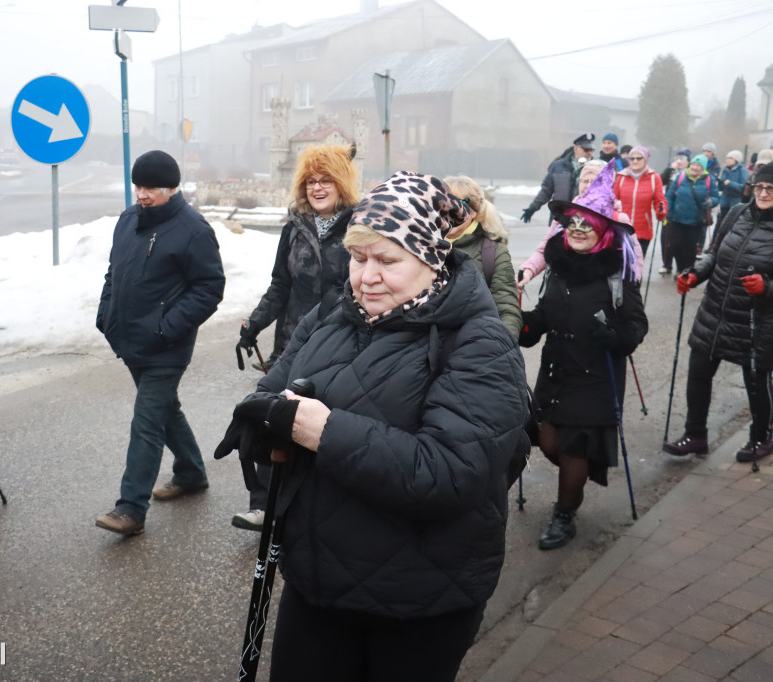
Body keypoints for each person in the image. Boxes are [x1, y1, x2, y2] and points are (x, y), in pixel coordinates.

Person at [216, 172, 531, 681]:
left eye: (388, 260)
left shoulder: (479, 343)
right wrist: (263, 421)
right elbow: (272, 391)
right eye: (359, 258)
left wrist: (321, 430)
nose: (366, 277)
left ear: (431, 258)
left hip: (420, 595)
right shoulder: (334, 314)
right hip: (316, 580)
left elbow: (450, 473)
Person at [95, 150, 226, 537]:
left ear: (171, 188)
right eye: (138, 186)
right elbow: (113, 272)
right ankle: (191, 472)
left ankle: (130, 508)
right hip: (130, 337)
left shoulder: (193, 229)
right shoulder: (127, 220)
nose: (142, 194)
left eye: (151, 187)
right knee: (165, 411)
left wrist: (167, 328)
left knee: (147, 422)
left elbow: (210, 288)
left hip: (167, 346)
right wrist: (106, 314)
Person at [520, 162, 648, 549]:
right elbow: (542, 317)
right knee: (547, 441)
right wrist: (518, 323)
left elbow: (636, 327)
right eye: (571, 224)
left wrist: (615, 336)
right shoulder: (557, 270)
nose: (576, 231)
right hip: (557, 369)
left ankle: (565, 513)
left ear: (604, 232)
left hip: (594, 376)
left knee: (574, 445)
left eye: (586, 226)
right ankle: (583, 469)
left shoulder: (617, 276)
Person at [232, 143, 360, 531]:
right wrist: (253, 324)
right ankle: (263, 504)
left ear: (341, 184)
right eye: (310, 181)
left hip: (342, 343)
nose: (317, 188)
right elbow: (279, 286)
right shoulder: (293, 229)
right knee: (274, 414)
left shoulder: (359, 227)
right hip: (292, 341)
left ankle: (321, 506)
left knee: (326, 424)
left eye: (326, 180)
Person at [665, 159, 773, 462]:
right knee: (698, 375)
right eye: (760, 186)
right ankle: (695, 436)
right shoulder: (737, 213)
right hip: (716, 312)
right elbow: (715, 255)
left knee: (757, 382)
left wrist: (767, 287)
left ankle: (761, 439)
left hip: (760, 320)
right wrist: (695, 274)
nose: (765, 192)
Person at [518, 160, 644, 290]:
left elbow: (635, 259)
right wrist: (528, 271)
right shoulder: (565, 215)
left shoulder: (618, 219)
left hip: (601, 293)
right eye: (584, 181)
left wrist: (632, 290)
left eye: (596, 181)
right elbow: (543, 250)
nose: (589, 186)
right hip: (565, 289)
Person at [443, 175, 522, 338]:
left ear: (474, 212)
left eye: (459, 204)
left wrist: (499, 348)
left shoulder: (494, 252)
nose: (449, 212)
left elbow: (507, 309)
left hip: (473, 347)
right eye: (442, 204)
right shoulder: (419, 247)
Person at [521, 133, 595, 224]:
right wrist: (532, 208)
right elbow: (546, 190)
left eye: (591, 150)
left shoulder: (595, 169)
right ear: (576, 149)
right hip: (558, 219)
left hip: (582, 221)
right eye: (586, 149)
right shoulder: (558, 166)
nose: (589, 153)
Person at [664, 153, 719, 274]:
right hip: (677, 218)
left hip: (696, 220)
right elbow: (670, 195)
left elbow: (716, 197)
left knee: (690, 247)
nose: (694, 167)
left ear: (703, 168)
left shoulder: (709, 180)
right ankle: (680, 269)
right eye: (693, 164)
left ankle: (687, 270)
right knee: (676, 245)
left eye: (698, 165)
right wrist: (667, 210)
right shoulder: (681, 177)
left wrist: (711, 202)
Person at [614, 145, 667, 256]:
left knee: (637, 264)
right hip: (622, 229)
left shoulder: (654, 177)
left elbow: (660, 200)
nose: (635, 161)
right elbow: (613, 199)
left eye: (639, 158)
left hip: (643, 230)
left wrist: (661, 211)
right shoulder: (621, 176)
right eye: (632, 158)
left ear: (645, 160)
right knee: (622, 264)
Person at [658, 148, 691, 274]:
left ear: (688, 162)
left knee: (679, 241)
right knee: (666, 237)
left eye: (682, 159)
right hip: (669, 209)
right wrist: (669, 169)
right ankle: (666, 264)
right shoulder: (671, 172)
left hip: (683, 211)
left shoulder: (689, 173)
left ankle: (680, 267)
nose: (679, 161)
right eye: (678, 158)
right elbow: (660, 181)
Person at [717, 150, 749, 228]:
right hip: (724, 200)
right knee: (722, 223)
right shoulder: (725, 169)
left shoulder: (742, 170)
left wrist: (730, 183)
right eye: (727, 158)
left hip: (735, 201)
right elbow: (722, 184)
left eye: (731, 158)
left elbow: (744, 186)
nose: (728, 160)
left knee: (731, 224)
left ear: (736, 160)